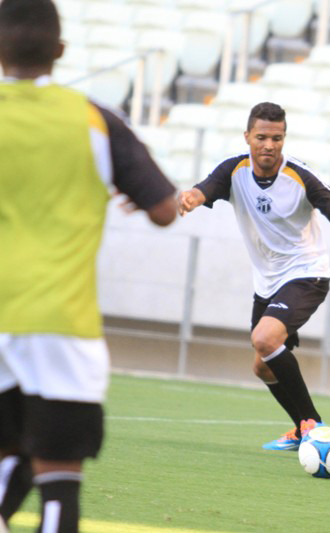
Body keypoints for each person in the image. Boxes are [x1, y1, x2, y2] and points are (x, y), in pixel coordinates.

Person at [0, 0, 178, 531]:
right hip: (64, 326)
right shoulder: (97, 120)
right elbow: (166, 210)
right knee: (57, 480)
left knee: (11, 456)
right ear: (60, 51)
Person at [178, 102, 330, 451]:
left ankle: (314, 427)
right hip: (267, 283)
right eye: (261, 137)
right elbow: (202, 191)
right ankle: (299, 429)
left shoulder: (301, 177)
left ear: (284, 138)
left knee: (264, 339)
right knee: (262, 367)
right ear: (247, 137)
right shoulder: (234, 171)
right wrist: (189, 199)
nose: (269, 145)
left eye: (277, 138)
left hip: (307, 274)